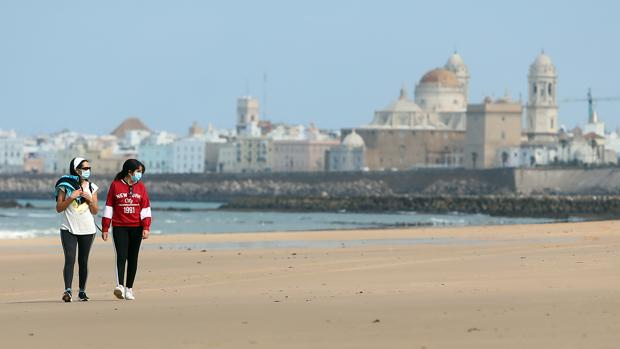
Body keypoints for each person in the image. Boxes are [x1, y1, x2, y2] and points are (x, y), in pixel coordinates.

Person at [101, 159, 151, 300]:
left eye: (141, 172)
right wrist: (105, 227)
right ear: (129, 172)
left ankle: (129, 288)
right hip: (119, 227)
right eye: (138, 171)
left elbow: (145, 208)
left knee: (133, 258)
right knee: (121, 256)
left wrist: (146, 227)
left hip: (136, 227)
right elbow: (109, 207)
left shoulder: (141, 187)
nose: (140, 174)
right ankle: (120, 286)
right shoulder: (115, 185)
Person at [54, 157, 99, 302]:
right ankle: (67, 291)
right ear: (76, 169)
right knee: (70, 259)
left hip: (88, 229)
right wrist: (71, 197)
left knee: (83, 261)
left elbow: (95, 211)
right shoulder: (64, 185)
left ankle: (82, 292)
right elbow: (59, 208)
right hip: (68, 228)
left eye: (89, 168)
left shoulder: (92, 187)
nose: (88, 171)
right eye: (85, 168)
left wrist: (90, 199)